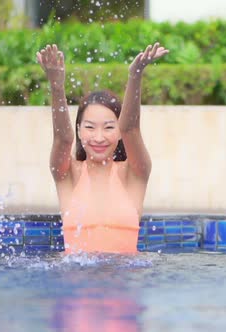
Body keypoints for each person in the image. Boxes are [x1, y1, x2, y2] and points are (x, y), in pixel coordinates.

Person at [36, 43, 168, 254]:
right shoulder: (67, 175)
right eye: (89, 127)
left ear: (118, 133)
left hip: (125, 280)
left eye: (108, 127)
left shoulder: (134, 174)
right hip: (75, 280)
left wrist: (135, 75)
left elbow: (131, 128)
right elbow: (62, 138)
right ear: (79, 130)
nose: (99, 137)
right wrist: (56, 86)